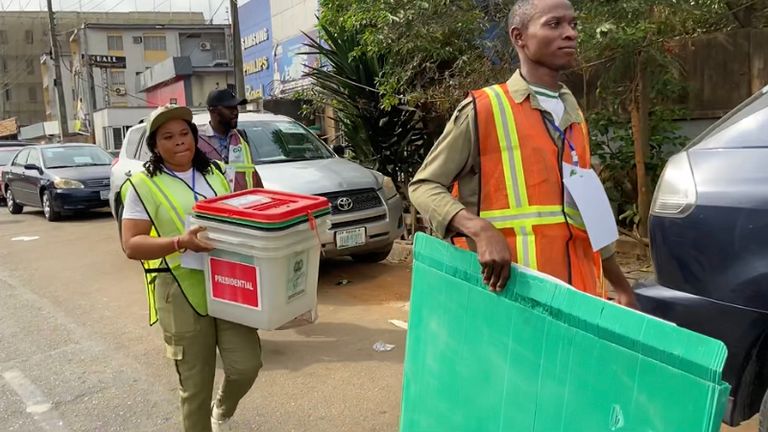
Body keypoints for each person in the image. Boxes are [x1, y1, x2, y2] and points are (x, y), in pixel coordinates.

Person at [409, 0, 637, 308]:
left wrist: (621, 285)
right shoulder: (486, 108)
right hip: (509, 298)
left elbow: (588, 206)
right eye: (554, 24)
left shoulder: (575, 115)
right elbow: (423, 187)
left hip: (576, 298)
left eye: (573, 24)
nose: (569, 33)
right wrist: (480, 229)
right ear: (519, 37)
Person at [120, 105, 263, 432]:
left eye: (184, 133)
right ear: (156, 145)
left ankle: (222, 408)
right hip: (180, 289)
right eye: (167, 137)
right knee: (196, 388)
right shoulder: (144, 185)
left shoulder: (215, 172)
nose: (179, 142)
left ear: (195, 136)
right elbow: (131, 245)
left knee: (246, 366)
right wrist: (179, 242)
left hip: (227, 282)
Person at [198, 88, 264, 192]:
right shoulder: (197, 140)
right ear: (213, 110)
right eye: (229, 108)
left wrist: (263, 196)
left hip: (245, 204)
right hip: (216, 206)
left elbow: (252, 172)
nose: (235, 112)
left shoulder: (241, 137)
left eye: (236, 107)